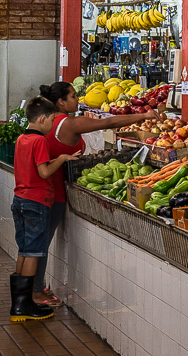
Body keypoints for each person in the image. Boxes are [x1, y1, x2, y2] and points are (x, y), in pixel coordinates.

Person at [34, 81, 161, 308]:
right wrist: (143, 116)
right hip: (54, 193)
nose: (78, 100)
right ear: (61, 102)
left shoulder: (47, 122)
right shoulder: (69, 123)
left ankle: (38, 288)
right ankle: (37, 291)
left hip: (46, 188)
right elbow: (109, 122)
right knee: (41, 243)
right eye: (73, 96)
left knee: (40, 242)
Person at [10, 96, 77, 323]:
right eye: (51, 121)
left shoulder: (21, 139)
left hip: (19, 199)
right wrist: (62, 158)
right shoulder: (40, 142)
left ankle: (18, 304)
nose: (52, 126)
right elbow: (44, 172)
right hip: (36, 201)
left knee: (23, 250)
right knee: (34, 253)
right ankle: (25, 304)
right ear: (42, 119)